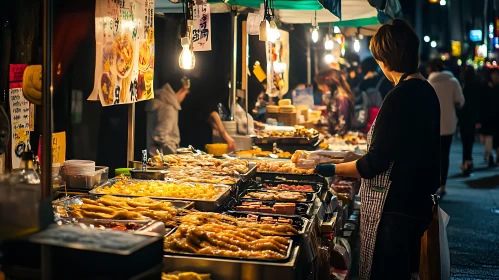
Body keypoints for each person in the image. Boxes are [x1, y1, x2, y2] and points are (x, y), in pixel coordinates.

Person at [315, 19, 440, 280]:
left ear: (386, 59)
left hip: (394, 208)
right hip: (416, 205)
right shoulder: (427, 91)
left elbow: (375, 164)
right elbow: (403, 149)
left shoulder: (399, 96)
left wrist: (331, 167)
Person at [427, 58, 464, 195]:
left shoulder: (429, 82)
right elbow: (460, 101)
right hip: (449, 123)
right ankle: (443, 185)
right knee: (445, 154)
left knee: (433, 155)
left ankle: (432, 184)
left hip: (433, 124)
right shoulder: (453, 82)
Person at [146, 77, 189, 155]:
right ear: (180, 91)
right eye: (184, 94)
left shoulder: (160, 101)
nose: (184, 98)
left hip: (155, 155)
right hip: (162, 158)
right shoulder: (168, 108)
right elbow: (160, 135)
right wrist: (174, 153)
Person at [314, 68, 355, 136]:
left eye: (322, 86)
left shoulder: (341, 98)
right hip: (334, 136)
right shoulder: (334, 96)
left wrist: (329, 137)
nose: (321, 89)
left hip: (341, 141)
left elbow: (342, 126)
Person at [458, 66, 479, 175]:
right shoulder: (476, 85)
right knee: (470, 140)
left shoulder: (463, 85)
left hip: (463, 116)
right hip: (472, 116)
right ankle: (468, 160)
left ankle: (465, 161)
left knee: (464, 139)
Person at [477, 68, 499, 166]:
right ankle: (490, 155)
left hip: (495, 115)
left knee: (496, 137)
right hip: (488, 116)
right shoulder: (485, 86)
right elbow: (481, 103)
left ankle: (496, 156)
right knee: (489, 137)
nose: (495, 76)